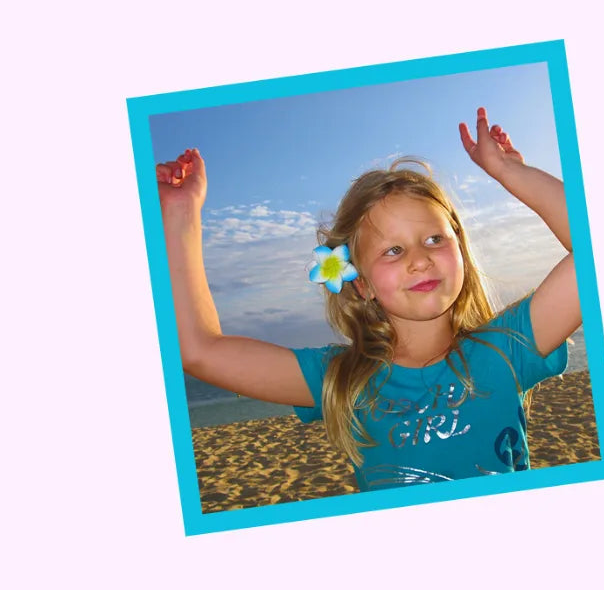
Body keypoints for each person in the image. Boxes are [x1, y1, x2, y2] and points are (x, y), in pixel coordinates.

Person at [156, 107, 581, 491]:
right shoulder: (343, 379)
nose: (419, 260)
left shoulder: (506, 349)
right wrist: (180, 214)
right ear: (361, 284)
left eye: (435, 239)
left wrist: (510, 171)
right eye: (393, 251)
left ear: (461, 251)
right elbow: (198, 350)